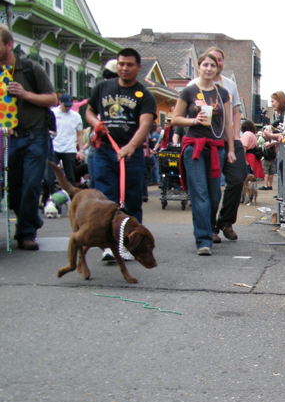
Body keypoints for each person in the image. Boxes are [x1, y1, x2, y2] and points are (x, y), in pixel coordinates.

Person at [86, 47, 156, 261]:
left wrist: (132, 146)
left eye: (129, 65)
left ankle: (130, 242)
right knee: (107, 199)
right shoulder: (103, 88)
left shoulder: (144, 95)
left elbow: (145, 124)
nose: (124, 68)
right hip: (104, 151)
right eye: (121, 64)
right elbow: (88, 111)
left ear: (138, 68)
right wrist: (95, 123)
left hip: (130, 154)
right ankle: (108, 244)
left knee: (132, 198)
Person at [170, 52, 235, 255]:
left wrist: (231, 149)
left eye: (212, 66)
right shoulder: (189, 92)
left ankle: (210, 228)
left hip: (217, 148)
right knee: (200, 195)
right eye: (205, 65)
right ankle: (203, 240)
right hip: (194, 148)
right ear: (199, 67)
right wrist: (193, 121)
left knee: (214, 194)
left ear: (217, 69)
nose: (209, 69)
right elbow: (175, 119)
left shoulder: (222, 93)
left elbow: (228, 123)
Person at [0, 25, 58, 250]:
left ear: (9, 45)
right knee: (12, 187)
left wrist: (24, 94)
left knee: (31, 184)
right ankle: (31, 220)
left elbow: (53, 99)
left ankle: (26, 233)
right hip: (8, 137)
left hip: (35, 135)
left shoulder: (29, 69)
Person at [190, 47, 245, 243]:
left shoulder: (228, 85)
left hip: (229, 138)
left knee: (238, 179)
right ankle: (210, 228)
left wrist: (236, 137)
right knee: (210, 188)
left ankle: (226, 221)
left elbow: (236, 112)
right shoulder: (193, 85)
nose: (214, 65)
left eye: (218, 61)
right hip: (205, 139)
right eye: (209, 62)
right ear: (200, 66)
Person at [51, 94, 85, 185]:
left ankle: (71, 197)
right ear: (60, 102)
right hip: (54, 147)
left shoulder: (76, 116)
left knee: (71, 176)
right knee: (48, 175)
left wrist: (81, 150)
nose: (68, 107)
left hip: (69, 148)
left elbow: (79, 134)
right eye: (66, 105)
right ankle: (47, 196)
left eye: (70, 105)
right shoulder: (53, 113)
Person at [259, 91, 285, 191]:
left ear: (280, 101)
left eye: (273, 101)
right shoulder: (280, 116)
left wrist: (270, 136)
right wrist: (273, 142)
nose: (271, 104)